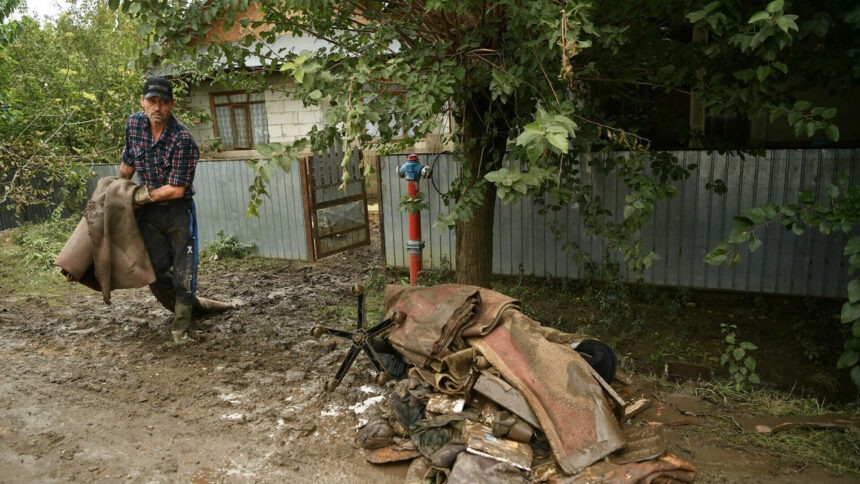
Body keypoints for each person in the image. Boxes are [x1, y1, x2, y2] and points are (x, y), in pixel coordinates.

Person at [119, 76, 200, 344]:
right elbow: (128, 162)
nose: (158, 107)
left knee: (183, 271)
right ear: (142, 102)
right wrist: (119, 191)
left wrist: (140, 196)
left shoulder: (182, 139)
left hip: (178, 211)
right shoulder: (134, 124)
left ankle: (182, 330)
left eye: (163, 103)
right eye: (152, 101)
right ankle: (185, 308)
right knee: (152, 268)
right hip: (150, 214)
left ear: (171, 104)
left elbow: (176, 189)